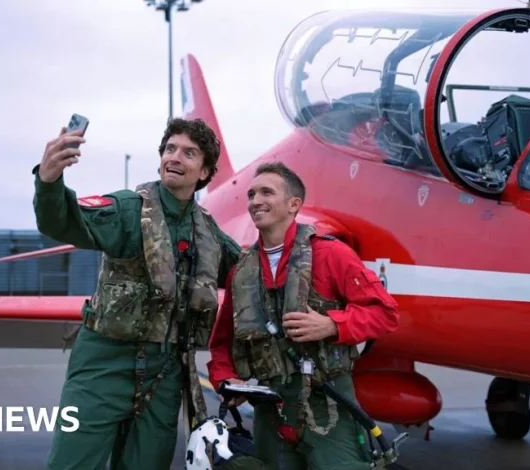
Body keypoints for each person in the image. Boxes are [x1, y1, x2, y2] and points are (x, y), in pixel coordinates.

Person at [33, 117, 241, 470]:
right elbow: (64, 222)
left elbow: (250, 274)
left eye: (189, 153)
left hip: (165, 376)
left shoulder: (208, 231)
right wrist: (49, 181)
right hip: (105, 366)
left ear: (205, 172)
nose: (175, 157)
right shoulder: (127, 210)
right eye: (170, 149)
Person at [206, 161, 399, 470]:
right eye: (252, 194)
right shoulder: (240, 273)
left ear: (293, 204)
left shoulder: (331, 255)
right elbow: (222, 342)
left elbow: (384, 313)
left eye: (267, 192)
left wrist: (332, 325)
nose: (255, 201)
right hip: (271, 406)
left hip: (328, 404)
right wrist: (225, 378)